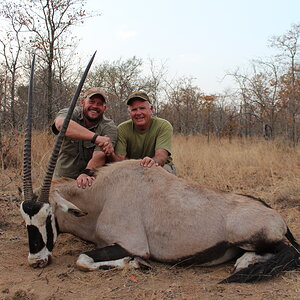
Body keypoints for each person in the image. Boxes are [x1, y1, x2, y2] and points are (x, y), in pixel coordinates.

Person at [52, 87, 117, 188]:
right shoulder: (71, 112)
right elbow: (61, 124)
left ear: (104, 108)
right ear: (82, 102)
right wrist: (96, 138)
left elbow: (99, 155)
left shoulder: (109, 126)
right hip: (61, 180)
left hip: (89, 181)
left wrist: (86, 173)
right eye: (91, 102)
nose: (95, 106)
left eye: (99, 104)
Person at [110, 91, 176, 174]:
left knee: (159, 172)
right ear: (129, 112)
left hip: (159, 166)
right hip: (131, 168)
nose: (138, 113)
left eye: (142, 108)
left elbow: (161, 157)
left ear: (151, 109)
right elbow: (120, 159)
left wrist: (152, 161)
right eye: (134, 109)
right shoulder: (122, 128)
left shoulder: (163, 125)